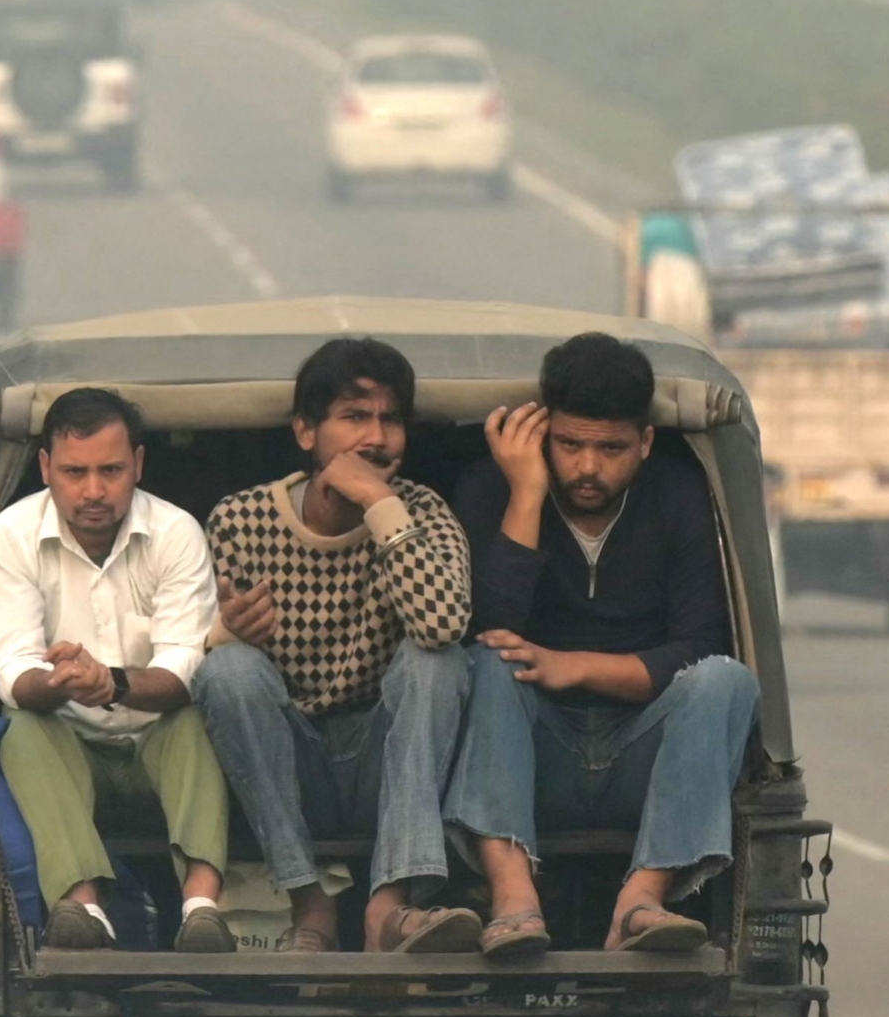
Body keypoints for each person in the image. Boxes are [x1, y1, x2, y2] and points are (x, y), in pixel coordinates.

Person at [444, 333, 760, 957]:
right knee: (488, 660)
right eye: (570, 445)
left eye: (611, 448)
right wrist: (528, 491)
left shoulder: (678, 495)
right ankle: (512, 899)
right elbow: (485, 625)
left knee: (727, 678)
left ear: (644, 443)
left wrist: (577, 666)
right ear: (543, 436)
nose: (589, 467)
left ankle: (641, 900)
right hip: (535, 755)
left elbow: (698, 644)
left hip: (642, 752)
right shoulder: (492, 489)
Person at [194, 338, 477, 954]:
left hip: (388, 757)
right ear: (305, 431)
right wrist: (226, 633)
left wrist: (380, 503)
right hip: (290, 760)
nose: (375, 438)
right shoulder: (241, 520)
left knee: (438, 659)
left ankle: (391, 902)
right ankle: (307, 898)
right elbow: (197, 659)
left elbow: (443, 624)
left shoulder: (420, 510)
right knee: (229, 669)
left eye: (390, 419)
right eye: (353, 417)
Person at [0, 389, 236, 953]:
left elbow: (182, 667)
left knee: (196, 714)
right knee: (18, 723)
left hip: (158, 747)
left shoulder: (176, 534)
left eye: (111, 471)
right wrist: (56, 683)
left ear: (138, 466)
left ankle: (202, 906)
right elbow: (13, 664)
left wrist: (111, 682)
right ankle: (82, 906)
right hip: (70, 752)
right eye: (75, 472)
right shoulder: (10, 535)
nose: (93, 491)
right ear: (46, 468)